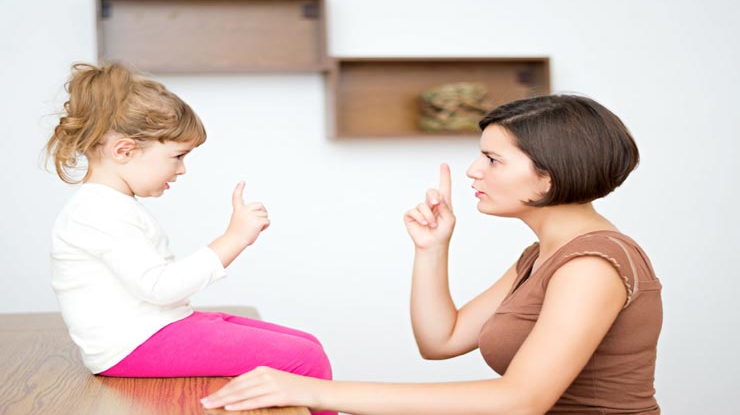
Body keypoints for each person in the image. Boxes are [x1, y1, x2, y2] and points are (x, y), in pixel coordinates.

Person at [201, 94, 662, 414]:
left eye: (493, 159)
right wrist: (432, 248)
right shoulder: (542, 255)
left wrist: (315, 391)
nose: (473, 170)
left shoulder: (591, 265)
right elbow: (441, 341)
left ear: (548, 176)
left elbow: (520, 401)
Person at [46, 63, 334, 413]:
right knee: (305, 359)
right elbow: (160, 288)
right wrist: (234, 238)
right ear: (124, 151)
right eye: (177, 156)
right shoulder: (98, 212)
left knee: (307, 344)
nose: (182, 169)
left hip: (153, 330)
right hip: (133, 345)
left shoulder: (109, 206)